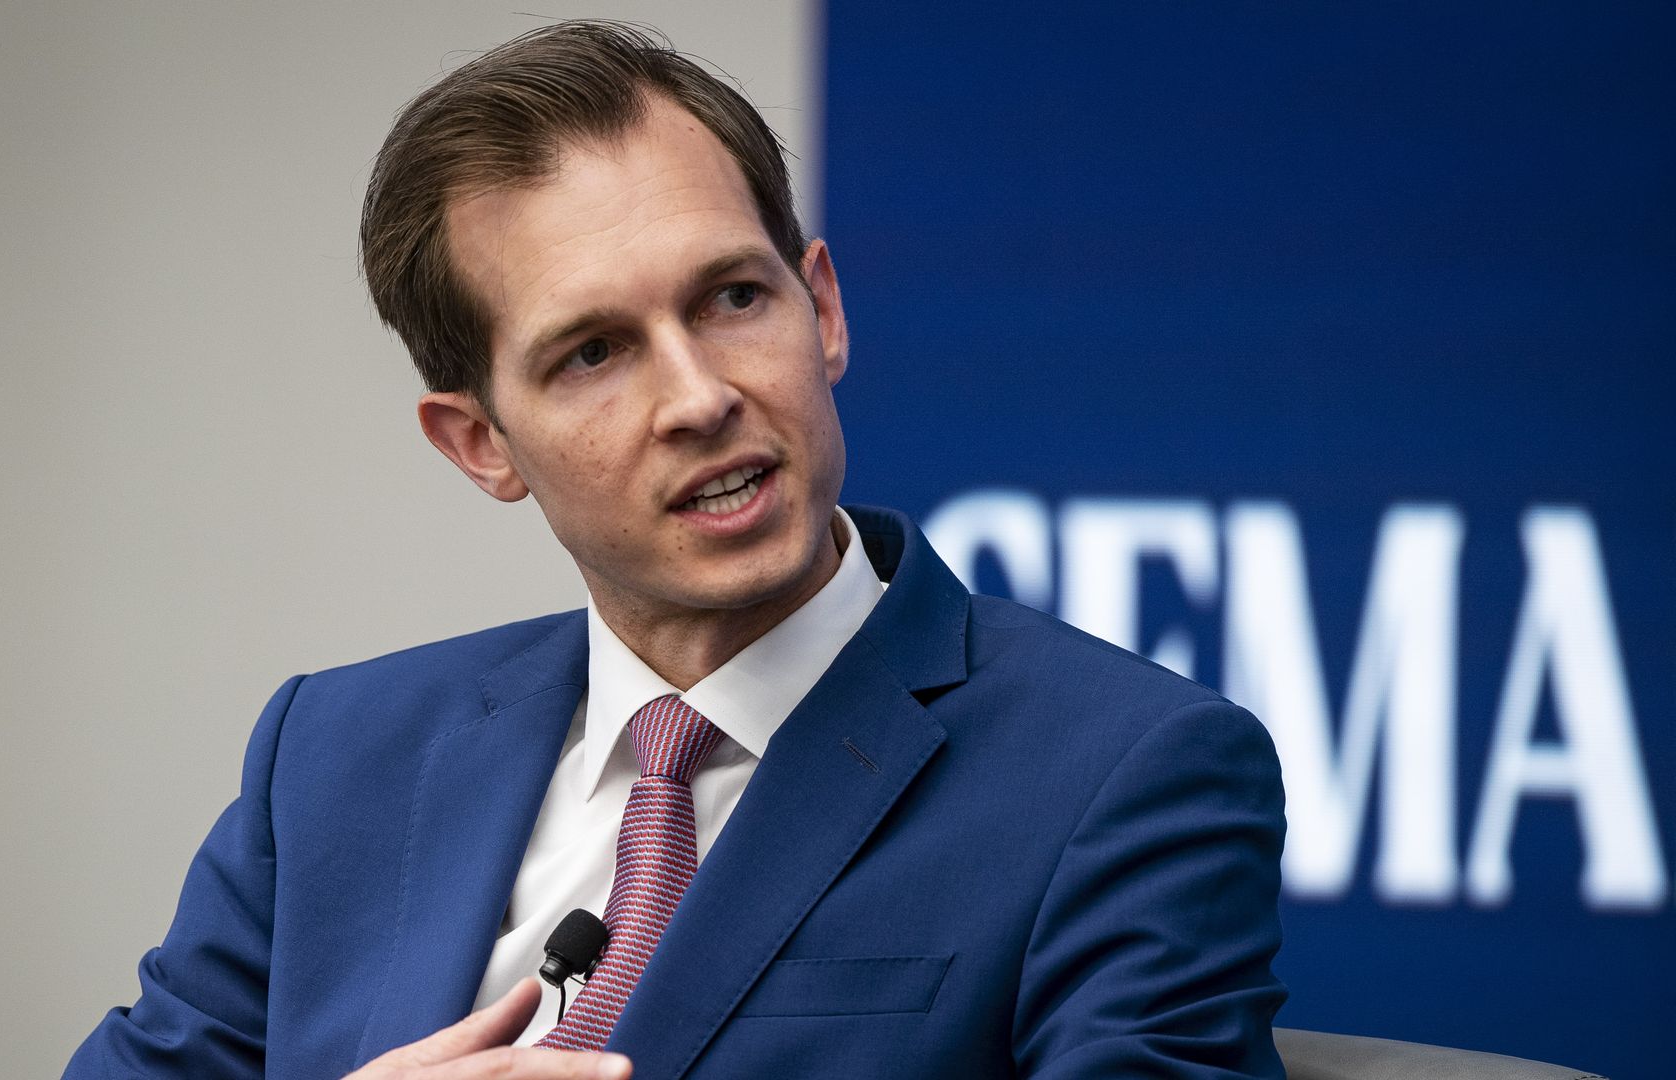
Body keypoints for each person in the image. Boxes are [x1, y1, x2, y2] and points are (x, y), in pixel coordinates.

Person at [65, 20, 1286, 1080]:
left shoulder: (1122, 774)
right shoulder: (334, 759)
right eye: (593, 353)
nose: (699, 397)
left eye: (733, 299)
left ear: (824, 308)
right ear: (480, 444)